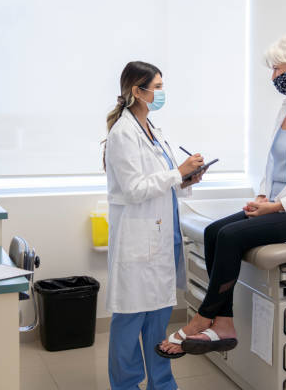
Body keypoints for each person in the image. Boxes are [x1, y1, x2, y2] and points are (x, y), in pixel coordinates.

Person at [157, 33, 286, 357]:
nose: (274, 76)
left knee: (231, 236)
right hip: (281, 206)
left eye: (277, 68)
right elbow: (274, 164)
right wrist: (263, 197)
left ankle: (204, 318)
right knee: (214, 231)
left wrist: (279, 205)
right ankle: (224, 324)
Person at [104, 61, 205, 389]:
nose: (161, 93)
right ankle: (125, 384)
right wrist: (178, 171)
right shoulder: (123, 133)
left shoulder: (155, 132)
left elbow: (164, 181)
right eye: (157, 87)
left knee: (159, 319)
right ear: (137, 91)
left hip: (163, 237)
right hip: (137, 239)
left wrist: (187, 177)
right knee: (130, 320)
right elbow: (135, 189)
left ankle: (162, 384)